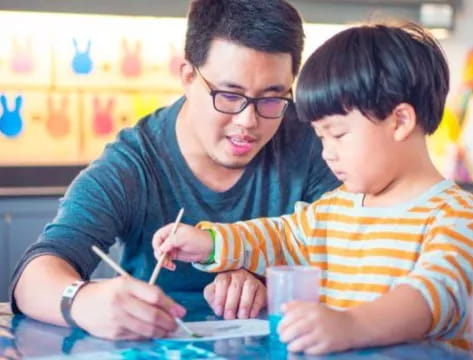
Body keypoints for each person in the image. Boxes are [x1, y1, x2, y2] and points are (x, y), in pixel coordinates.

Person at [10, 0, 339, 340]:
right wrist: (83, 301)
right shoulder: (135, 162)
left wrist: (267, 281)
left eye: (272, 98)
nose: (247, 122)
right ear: (187, 77)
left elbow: (359, 252)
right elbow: (33, 276)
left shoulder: (318, 142)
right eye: (229, 95)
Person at [152, 22, 473, 354]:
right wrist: (210, 243)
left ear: (400, 121)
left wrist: (352, 325)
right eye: (321, 137)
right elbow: (278, 237)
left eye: (337, 134)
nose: (327, 152)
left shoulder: (459, 218)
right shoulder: (333, 210)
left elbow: (436, 295)